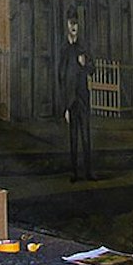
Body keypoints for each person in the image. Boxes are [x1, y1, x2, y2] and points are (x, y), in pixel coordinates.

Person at [57, 11, 95, 181]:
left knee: (86, 136)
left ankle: (88, 172)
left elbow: (93, 69)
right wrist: (64, 105)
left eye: (75, 23)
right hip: (71, 100)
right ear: (66, 25)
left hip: (83, 98)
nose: (73, 26)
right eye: (70, 23)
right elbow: (60, 76)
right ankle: (74, 173)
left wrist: (85, 63)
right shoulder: (63, 48)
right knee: (73, 138)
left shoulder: (83, 46)